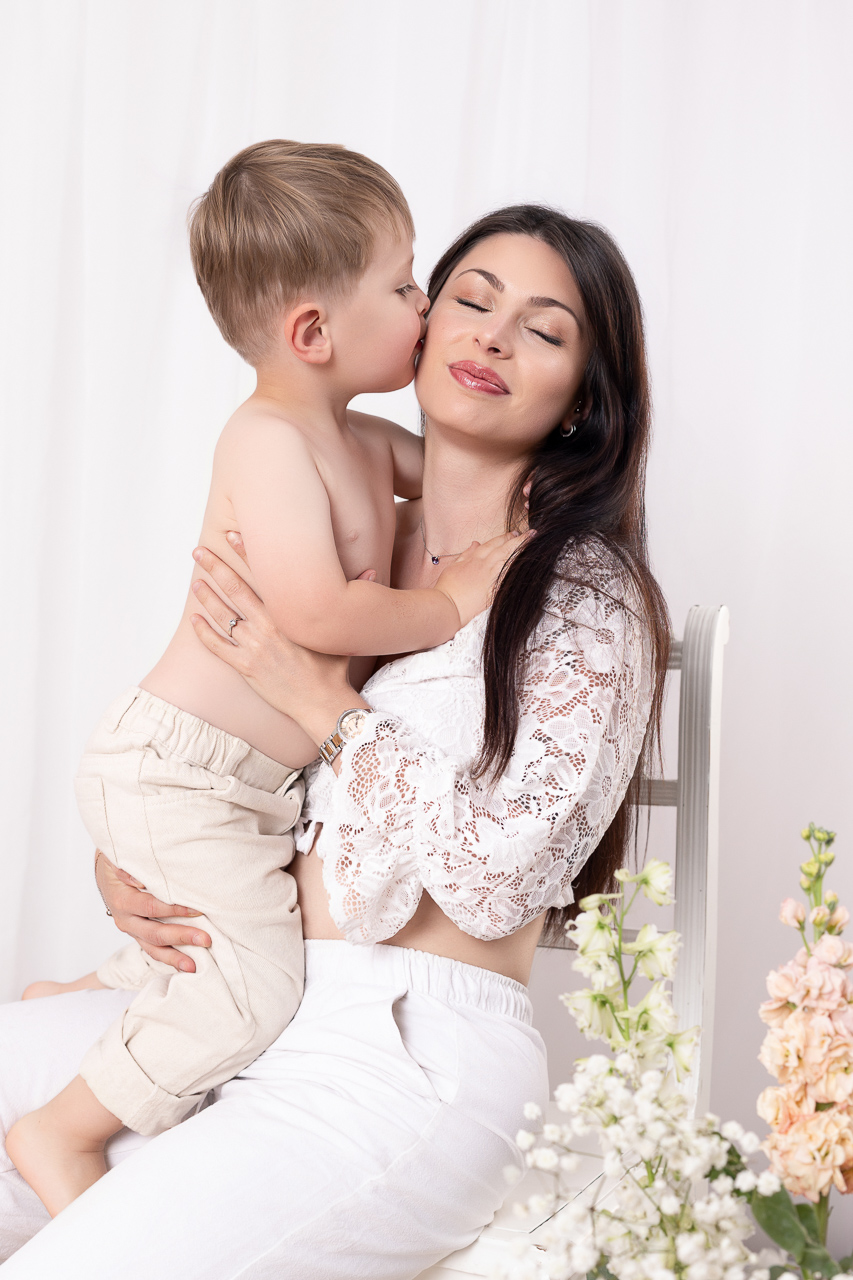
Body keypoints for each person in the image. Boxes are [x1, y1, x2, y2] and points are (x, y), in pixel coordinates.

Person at [0, 205, 669, 1278]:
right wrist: (131, 860)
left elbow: (500, 882)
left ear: (586, 400)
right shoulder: (338, 521)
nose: (492, 337)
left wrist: (324, 704)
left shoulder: (580, 592)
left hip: (401, 1050)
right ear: (411, 324)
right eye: (470, 299)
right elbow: (217, 747)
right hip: (235, 992)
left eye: (543, 331)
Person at [5, 140, 515, 1218]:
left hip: (243, 786)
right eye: (405, 282)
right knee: (254, 984)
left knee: (235, 944)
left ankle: (106, 990)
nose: (425, 306)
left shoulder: (366, 443)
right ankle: (61, 1128)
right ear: (314, 331)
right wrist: (449, 602)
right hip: (178, 769)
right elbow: (316, 613)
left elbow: (479, 476)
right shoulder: (269, 440)